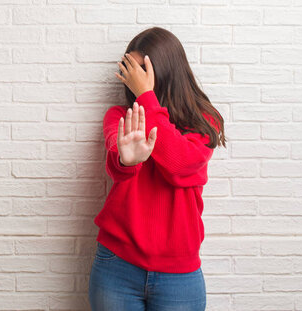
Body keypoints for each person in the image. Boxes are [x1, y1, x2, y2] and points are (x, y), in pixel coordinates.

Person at [88, 27, 227, 311]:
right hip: (117, 265)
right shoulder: (119, 116)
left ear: (165, 69)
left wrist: (146, 97)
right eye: (130, 69)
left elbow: (179, 165)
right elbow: (118, 161)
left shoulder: (205, 122)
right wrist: (127, 161)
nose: (133, 78)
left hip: (179, 274)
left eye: (142, 70)